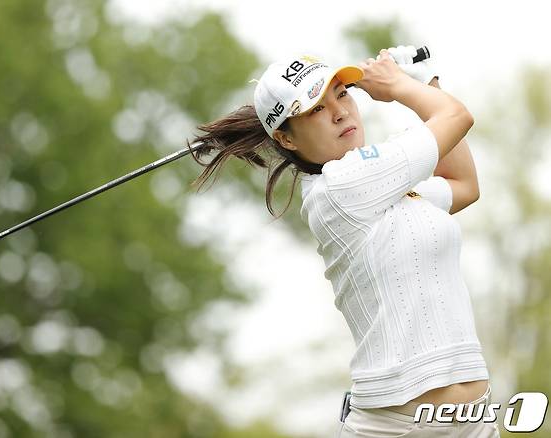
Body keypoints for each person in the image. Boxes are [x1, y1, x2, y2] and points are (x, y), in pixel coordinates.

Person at [188, 46, 499, 437]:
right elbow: (456, 116)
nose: (339, 112)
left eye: (342, 93)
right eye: (315, 108)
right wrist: (400, 85)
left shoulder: (391, 188)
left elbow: (464, 186)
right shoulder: (341, 185)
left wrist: (427, 81)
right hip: (396, 428)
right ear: (285, 138)